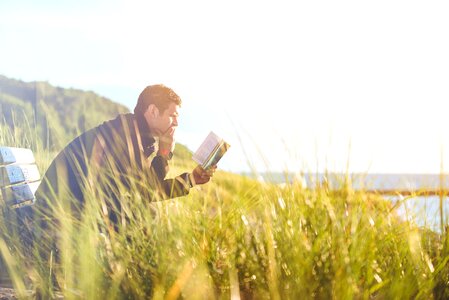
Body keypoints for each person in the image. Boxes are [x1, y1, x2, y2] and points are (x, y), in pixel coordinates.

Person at [21, 84, 216, 235]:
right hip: (57, 215)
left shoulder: (135, 134)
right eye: (173, 115)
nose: (177, 122)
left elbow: (145, 190)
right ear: (153, 111)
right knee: (143, 216)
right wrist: (164, 154)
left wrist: (191, 179)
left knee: (143, 214)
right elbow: (148, 192)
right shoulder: (124, 137)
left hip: (75, 208)